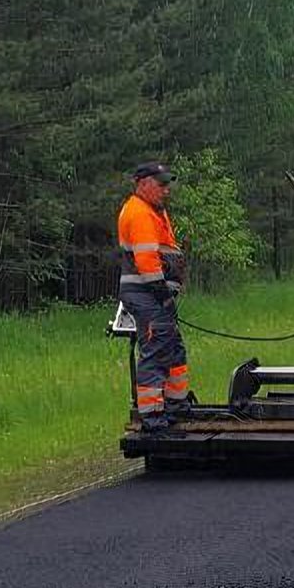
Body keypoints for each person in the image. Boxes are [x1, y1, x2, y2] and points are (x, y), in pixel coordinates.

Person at [117, 162, 190, 433]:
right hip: (147, 293)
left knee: (172, 346)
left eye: (167, 184)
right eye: (161, 184)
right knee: (156, 349)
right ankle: (153, 416)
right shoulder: (138, 213)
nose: (166, 190)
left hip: (155, 294)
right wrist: (163, 295)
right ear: (143, 183)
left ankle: (176, 406)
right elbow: (147, 262)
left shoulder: (154, 211)